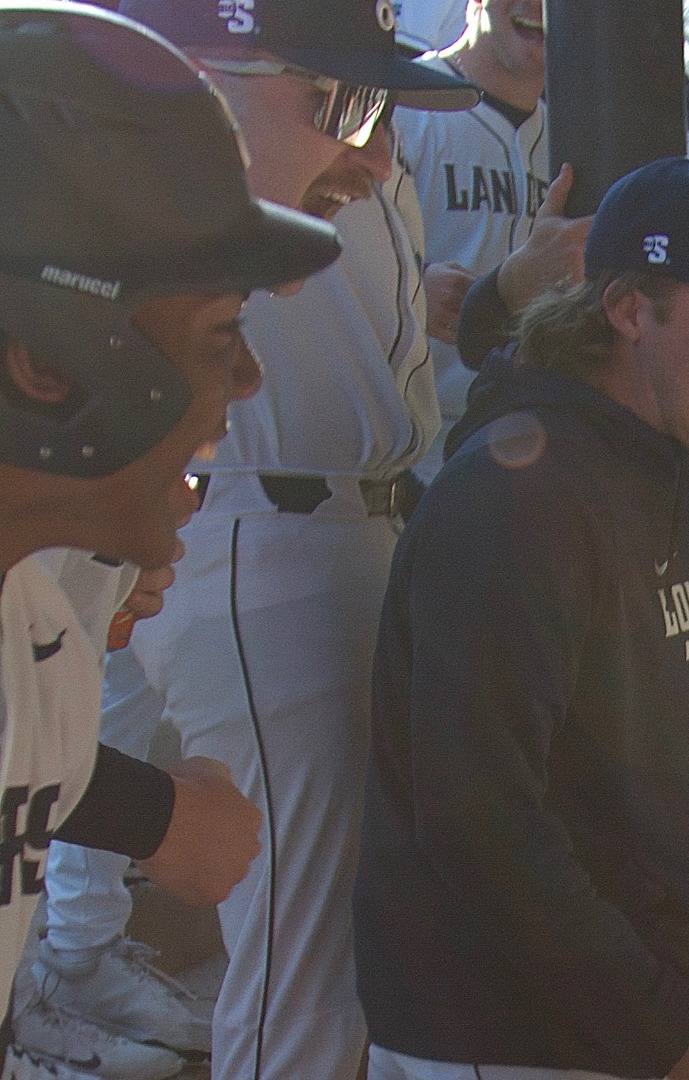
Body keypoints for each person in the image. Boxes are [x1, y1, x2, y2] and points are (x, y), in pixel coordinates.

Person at [34, 3, 478, 1079]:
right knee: (305, 986)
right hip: (265, 535)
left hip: (283, 527)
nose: (374, 152)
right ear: (192, 78)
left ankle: (69, 970)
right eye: (343, 102)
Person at [353, 156, 689, 1080]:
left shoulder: (676, 469)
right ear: (625, 308)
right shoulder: (513, 498)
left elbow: (666, 765)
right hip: (515, 1034)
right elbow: (479, 821)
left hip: (632, 1015)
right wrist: (671, 1020)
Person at [0, 3, 336, 1075]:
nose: (248, 382)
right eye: (220, 335)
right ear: (46, 366)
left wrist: (163, 812)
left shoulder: (31, 618)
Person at [398, 0, 555, 480]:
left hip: (526, 449)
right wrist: (412, 290)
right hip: (409, 452)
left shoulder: (576, 138)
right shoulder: (401, 103)